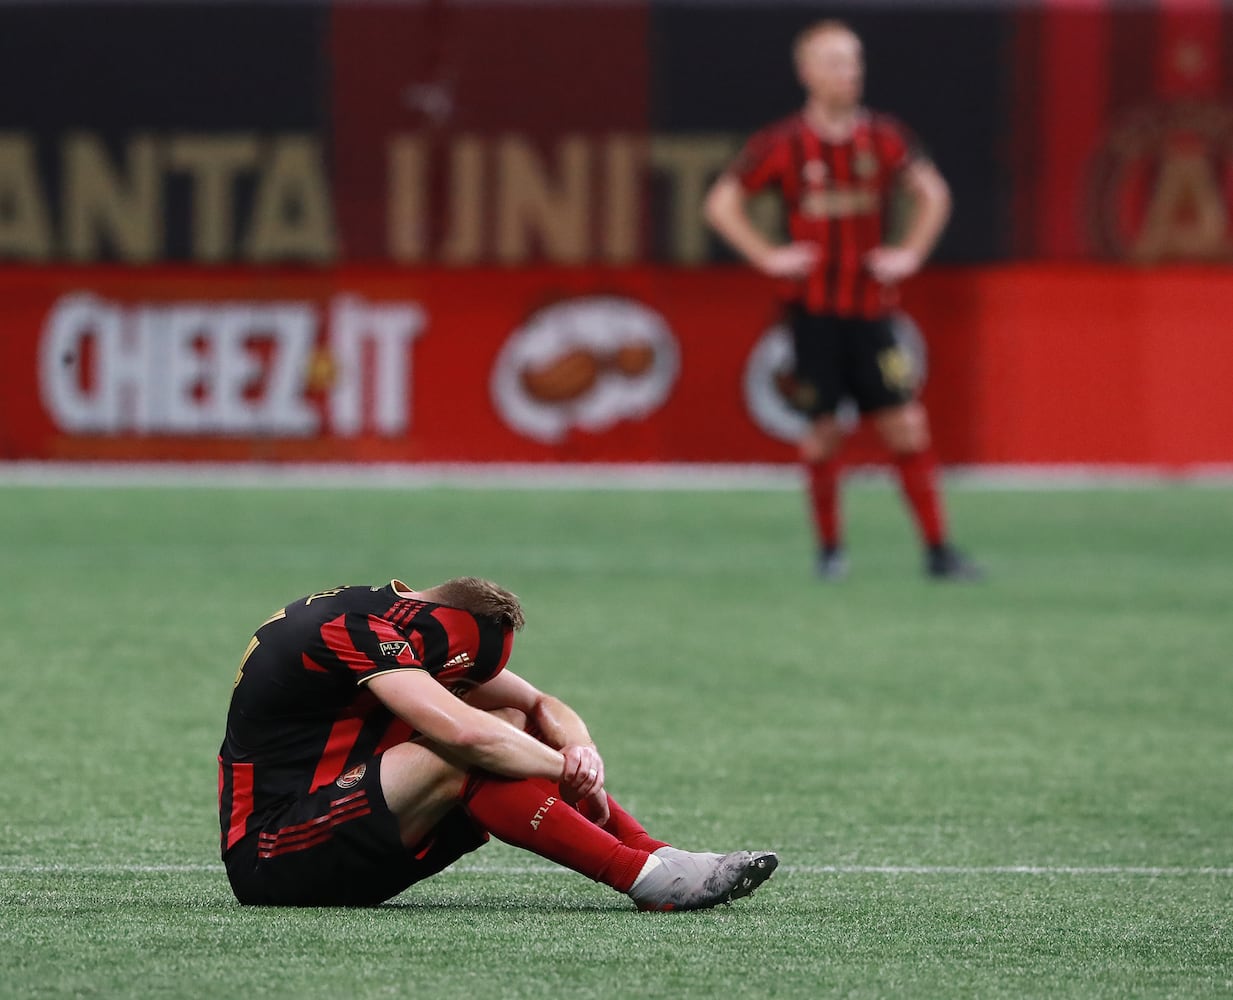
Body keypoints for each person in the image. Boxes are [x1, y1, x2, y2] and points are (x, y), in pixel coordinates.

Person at [217, 576, 778, 910]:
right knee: (466, 751)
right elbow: (465, 733)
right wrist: (563, 769)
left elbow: (540, 705)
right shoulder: (358, 630)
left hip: (344, 821)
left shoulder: (402, 620)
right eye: (464, 676)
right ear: (455, 646)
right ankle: (648, 880)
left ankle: (654, 851)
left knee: (511, 720)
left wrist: (581, 750)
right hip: (274, 852)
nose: (463, 684)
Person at [704, 18, 981, 581]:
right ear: (807, 72)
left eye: (853, 62)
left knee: (906, 423)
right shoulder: (783, 143)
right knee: (825, 431)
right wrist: (767, 255)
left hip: (874, 313)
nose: (848, 73)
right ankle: (831, 551)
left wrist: (910, 252)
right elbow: (722, 203)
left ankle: (939, 550)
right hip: (813, 316)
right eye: (834, 62)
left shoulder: (884, 137)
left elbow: (934, 194)